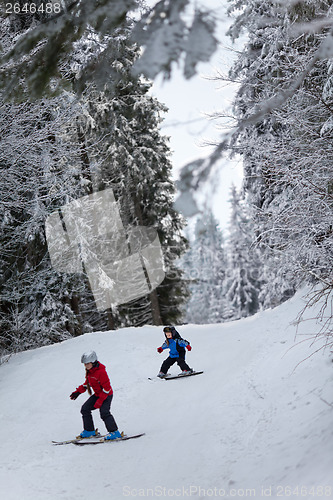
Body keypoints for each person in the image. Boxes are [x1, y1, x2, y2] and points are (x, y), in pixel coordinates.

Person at [70, 350, 122, 440]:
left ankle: (114, 432)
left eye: (87, 364)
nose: (86, 366)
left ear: (93, 362)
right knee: (85, 409)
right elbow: (87, 384)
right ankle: (89, 431)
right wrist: (78, 392)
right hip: (98, 395)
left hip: (106, 395)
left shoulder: (101, 372)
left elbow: (107, 388)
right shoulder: (90, 372)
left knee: (104, 412)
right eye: (85, 364)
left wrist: (100, 401)